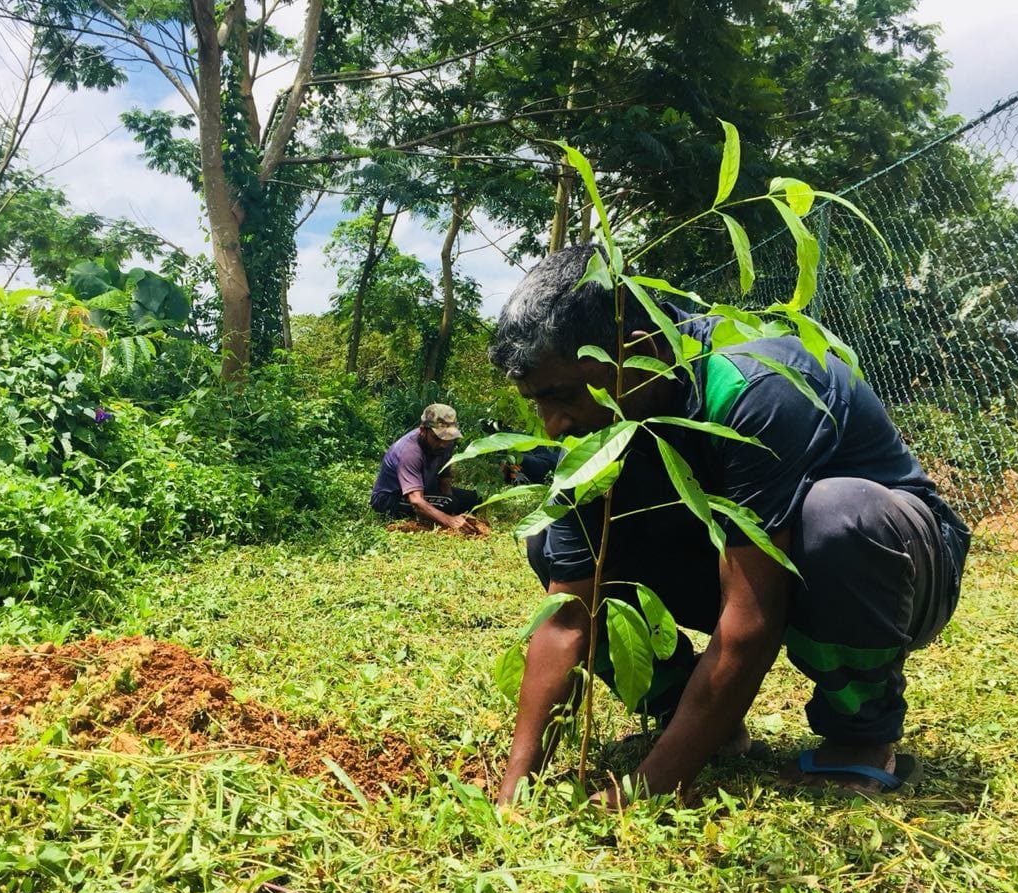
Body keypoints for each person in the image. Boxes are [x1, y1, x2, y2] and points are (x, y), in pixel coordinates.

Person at [488, 246, 971, 806]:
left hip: (890, 562)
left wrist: (646, 791)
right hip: (734, 552)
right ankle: (685, 718)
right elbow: (568, 617)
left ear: (639, 354)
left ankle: (860, 737)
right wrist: (515, 787)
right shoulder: (593, 434)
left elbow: (752, 614)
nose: (552, 427)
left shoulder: (750, 383)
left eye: (563, 397)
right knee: (551, 544)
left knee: (835, 518)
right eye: (536, 402)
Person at [370, 403, 480, 531]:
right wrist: (449, 520)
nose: (443, 444)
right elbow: (416, 500)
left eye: (448, 438)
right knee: (449, 504)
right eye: (437, 438)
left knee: (472, 498)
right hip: (390, 498)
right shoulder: (410, 452)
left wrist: (450, 502)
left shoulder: (446, 444)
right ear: (423, 430)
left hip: (424, 488)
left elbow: (444, 477)